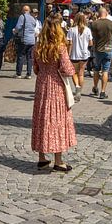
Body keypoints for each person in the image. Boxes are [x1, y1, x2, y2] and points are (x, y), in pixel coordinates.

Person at [32, 16, 77, 172]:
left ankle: (42, 158)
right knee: (57, 120)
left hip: (42, 86)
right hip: (57, 86)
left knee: (42, 119)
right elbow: (68, 70)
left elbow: (36, 69)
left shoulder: (37, 47)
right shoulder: (60, 47)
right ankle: (58, 160)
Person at [91, 7, 112, 99]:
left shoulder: (94, 24)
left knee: (96, 69)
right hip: (108, 47)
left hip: (98, 48)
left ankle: (95, 87)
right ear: (106, 13)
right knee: (105, 70)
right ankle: (103, 92)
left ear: (98, 14)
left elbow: (92, 36)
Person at [67, 13, 93, 102]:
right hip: (84, 54)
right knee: (81, 73)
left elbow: (69, 43)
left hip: (74, 54)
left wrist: (68, 53)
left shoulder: (71, 30)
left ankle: (77, 87)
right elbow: (91, 43)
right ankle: (79, 92)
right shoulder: (88, 30)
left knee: (74, 73)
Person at [13, 5, 36, 80]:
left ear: (23, 10)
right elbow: (34, 27)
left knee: (20, 56)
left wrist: (14, 31)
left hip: (24, 40)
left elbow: (18, 27)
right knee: (29, 57)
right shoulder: (33, 18)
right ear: (29, 11)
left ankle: (18, 73)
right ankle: (28, 74)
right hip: (32, 41)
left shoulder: (22, 17)